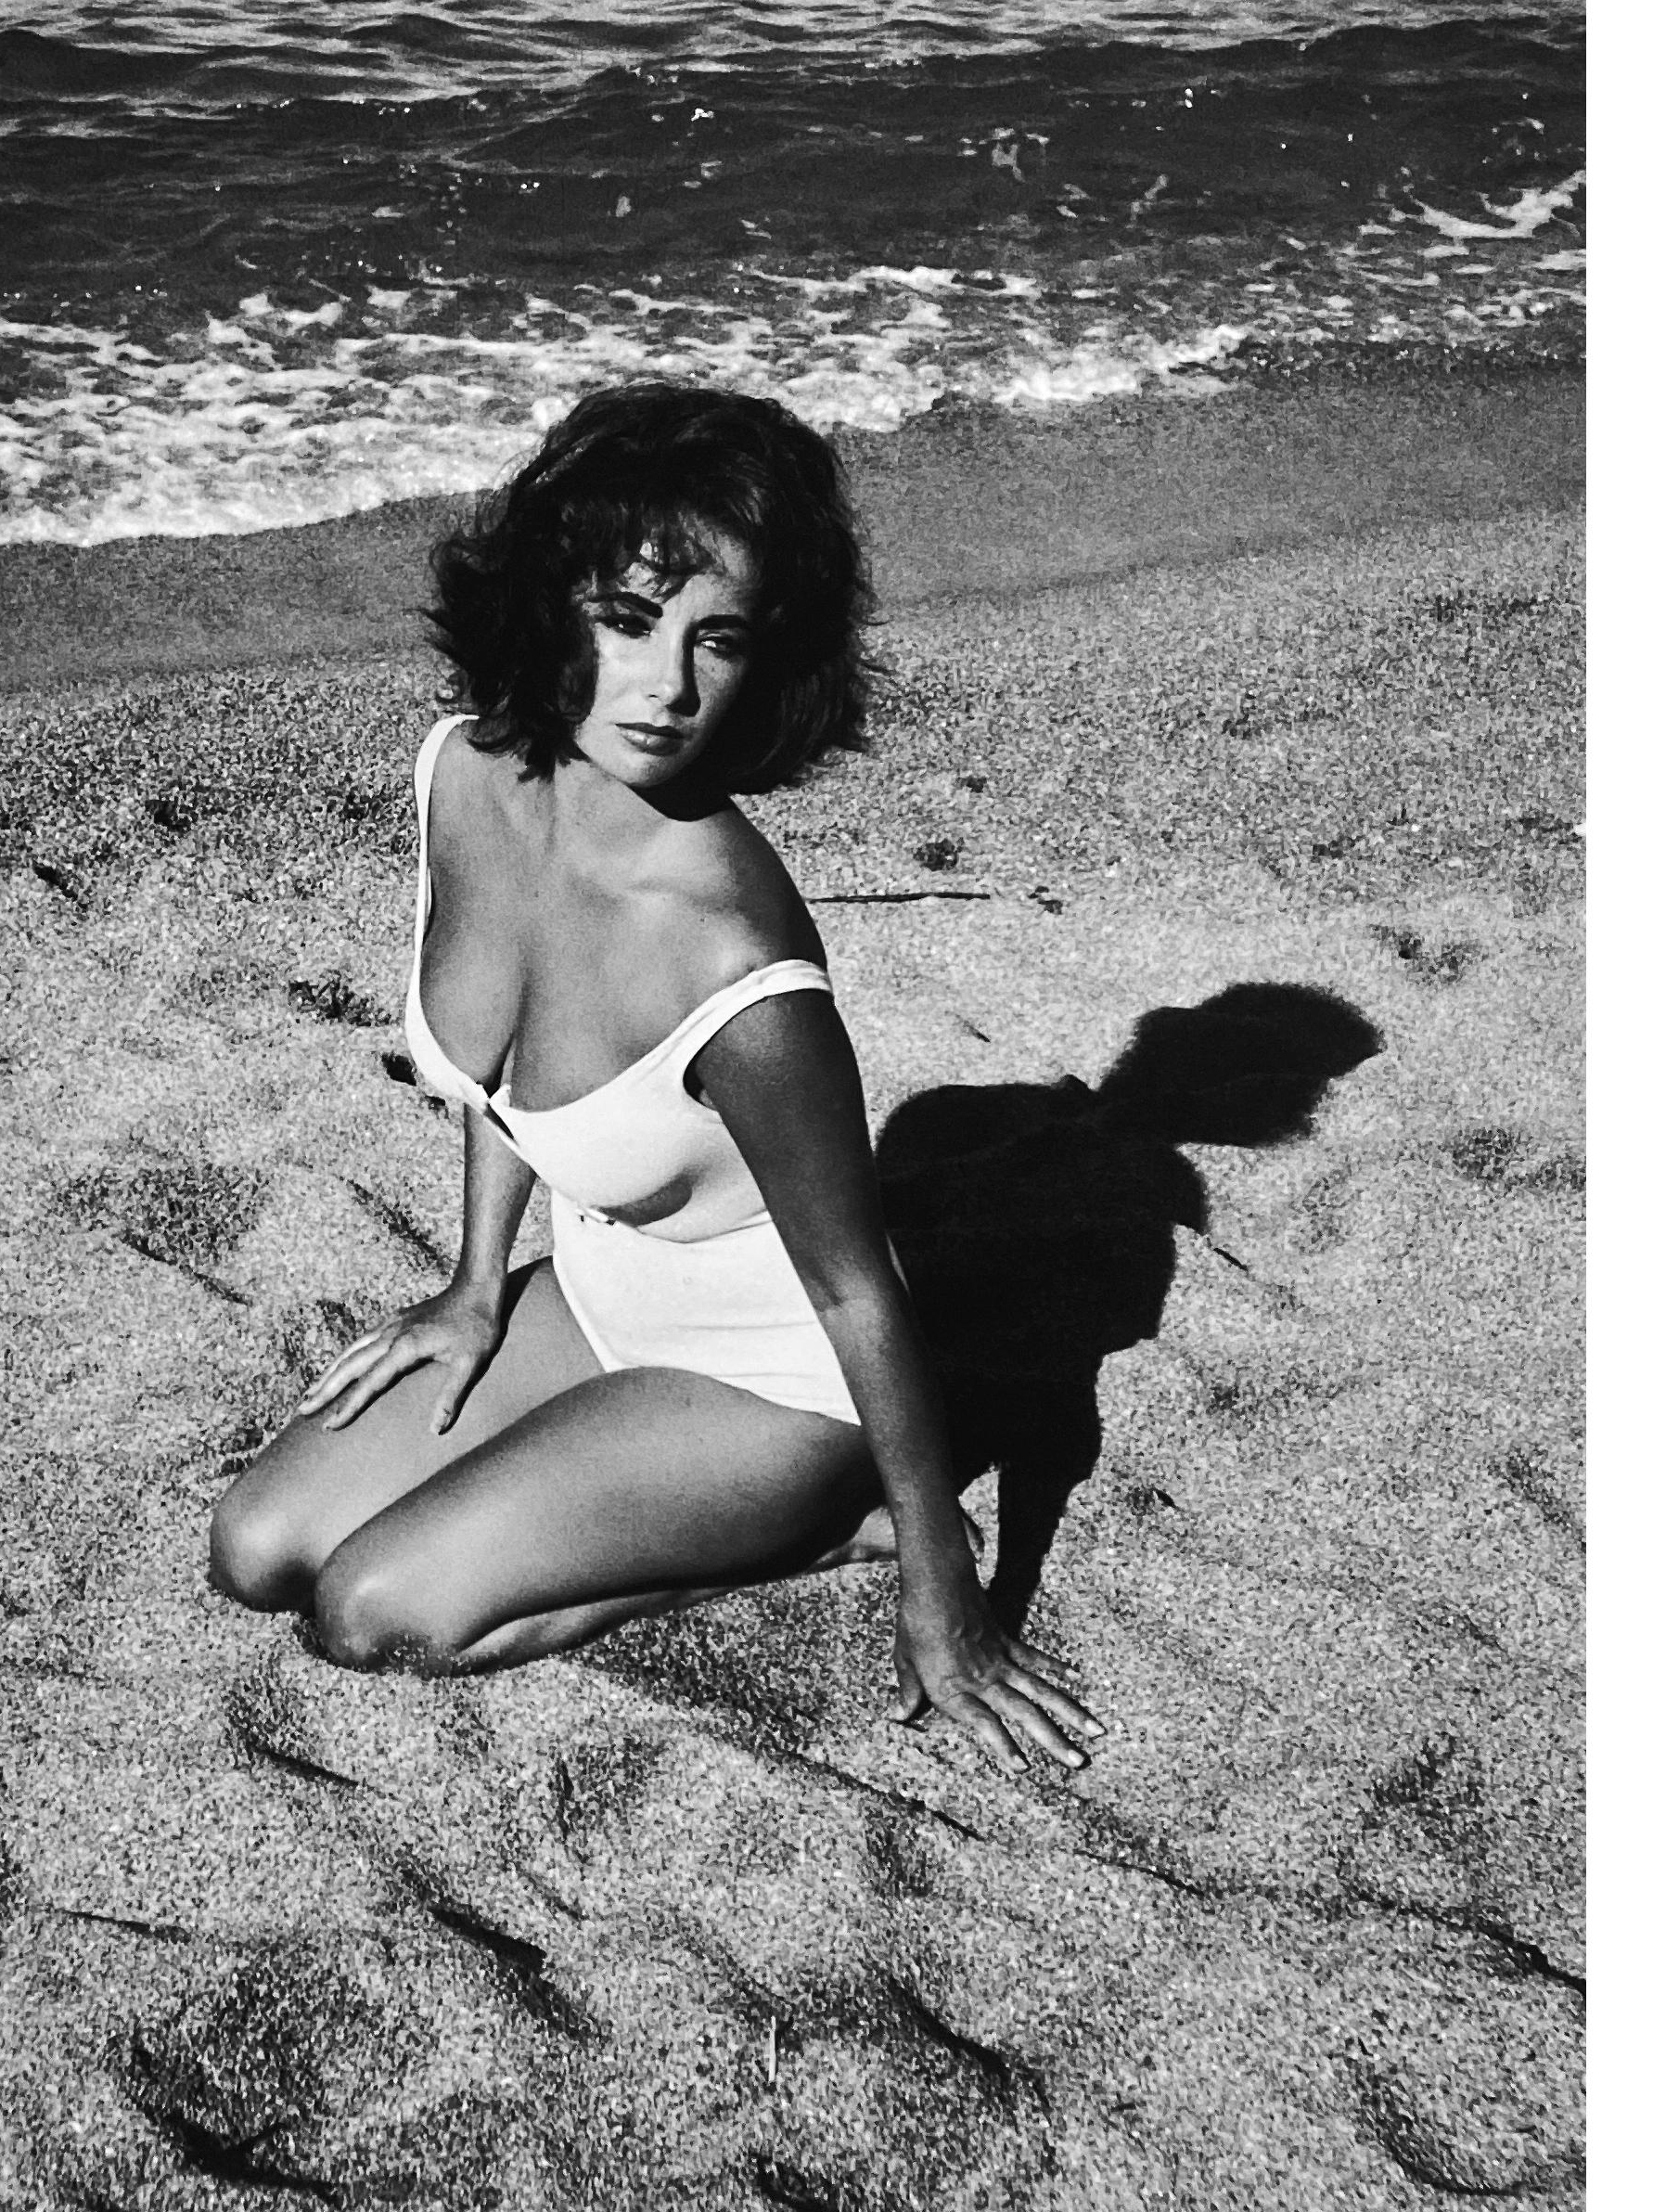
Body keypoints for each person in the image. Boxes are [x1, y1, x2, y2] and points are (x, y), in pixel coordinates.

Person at [210, 381, 1104, 1775]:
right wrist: (469, 1286)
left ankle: (822, 1523)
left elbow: (859, 1291)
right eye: (628, 621)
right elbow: (499, 1062)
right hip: (599, 1292)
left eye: (718, 640)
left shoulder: (735, 964)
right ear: (551, 600)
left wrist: (946, 1596)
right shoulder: (466, 774)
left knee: (369, 1610)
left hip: (772, 1382)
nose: (668, 685)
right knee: (255, 1548)